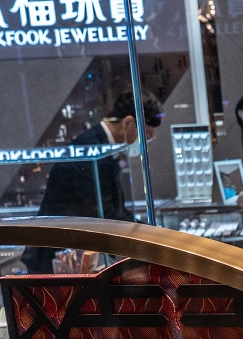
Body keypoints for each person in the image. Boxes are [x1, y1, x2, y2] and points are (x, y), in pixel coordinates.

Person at [23, 90, 161, 274]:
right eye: (146, 136)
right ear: (128, 123)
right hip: (55, 261)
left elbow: (113, 209)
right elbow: (104, 212)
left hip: (73, 254)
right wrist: (151, 236)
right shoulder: (90, 149)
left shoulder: (103, 145)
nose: (144, 143)